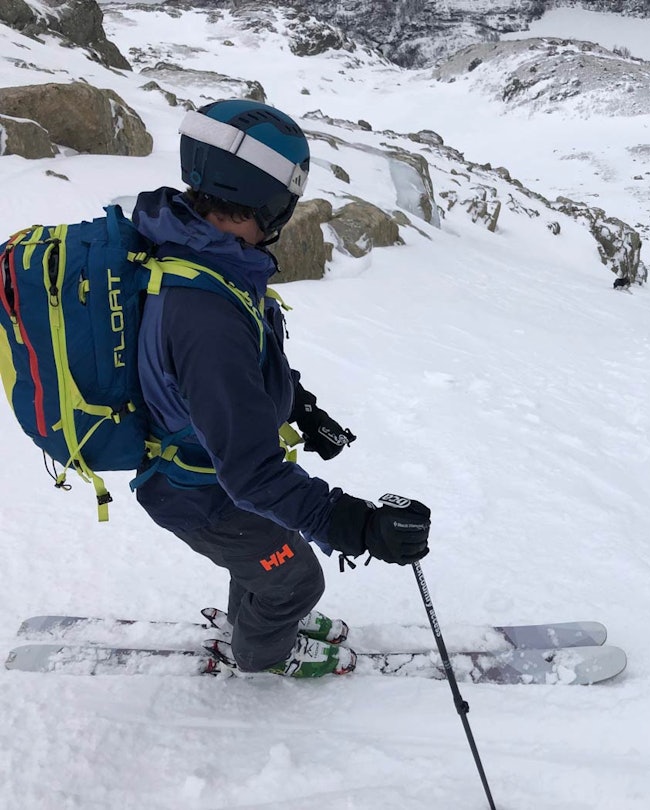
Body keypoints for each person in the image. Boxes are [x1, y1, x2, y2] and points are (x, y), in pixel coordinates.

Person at [131, 99, 431, 678]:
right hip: (200, 490)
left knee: (268, 558)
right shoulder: (204, 312)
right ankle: (262, 653)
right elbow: (251, 474)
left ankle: (262, 616)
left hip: (204, 470)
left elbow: (237, 370)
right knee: (296, 579)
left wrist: (299, 404)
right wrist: (357, 525)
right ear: (267, 203)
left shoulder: (201, 254)